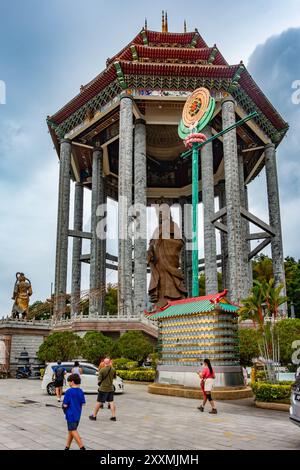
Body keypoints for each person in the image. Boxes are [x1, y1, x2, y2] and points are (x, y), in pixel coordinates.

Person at [62, 374, 86, 450]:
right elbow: (83, 403)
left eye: (69, 382)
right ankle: (67, 447)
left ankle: (82, 447)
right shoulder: (81, 391)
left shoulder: (69, 392)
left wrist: (63, 406)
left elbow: (65, 405)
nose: (68, 383)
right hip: (77, 415)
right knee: (71, 431)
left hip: (70, 415)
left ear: (72, 382)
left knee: (73, 430)